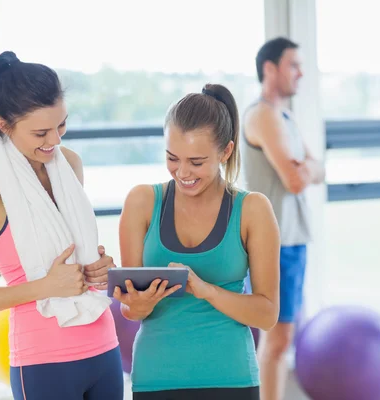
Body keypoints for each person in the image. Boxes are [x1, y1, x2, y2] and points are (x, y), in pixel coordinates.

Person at [0, 51, 124, 399]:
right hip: (42, 362)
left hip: (104, 347)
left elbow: (73, 250)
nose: (55, 141)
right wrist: (46, 286)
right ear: (3, 123)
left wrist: (99, 267)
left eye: (61, 126)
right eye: (41, 132)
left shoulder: (69, 164)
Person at [114, 83, 280, 400]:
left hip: (231, 379)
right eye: (172, 158)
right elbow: (129, 309)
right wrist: (138, 305)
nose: (183, 172)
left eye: (197, 161)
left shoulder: (252, 209)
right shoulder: (141, 202)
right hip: (156, 379)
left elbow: (267, 314)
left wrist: (206, 290)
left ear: (226, 151)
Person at [241, 37, 325, 400]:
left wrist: (306, 168)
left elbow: (319, 168)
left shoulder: (284, 117)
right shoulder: (261, 115)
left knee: (280, 339)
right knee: (276, 341)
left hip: (292, 241)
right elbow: (296, 178)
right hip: (274, 245)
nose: (301, 73)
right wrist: (305, 169)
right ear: (269, 68)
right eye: (293, 65)